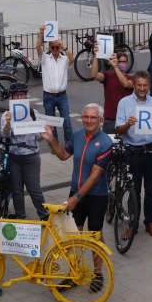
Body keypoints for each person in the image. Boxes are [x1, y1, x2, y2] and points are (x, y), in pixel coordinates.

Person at [45, 104, 113, 257]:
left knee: (95, 236)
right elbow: (63, 155)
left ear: (100, 120)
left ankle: (97, 274)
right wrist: (51, 139)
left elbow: (95, 176)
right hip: (76, 192)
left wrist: (76, 198)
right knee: (74, 234)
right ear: (81, 118)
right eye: (86, 117)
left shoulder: (106, 143)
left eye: (93, 117)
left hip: (97, 195)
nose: (89, 120)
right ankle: (75, 273)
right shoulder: (77, 135)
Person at [115, 71, 152, 238]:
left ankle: (150, 222)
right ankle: (132, 224)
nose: (142, 88)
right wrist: (127, 125)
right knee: (133, 190)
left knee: (151, 190)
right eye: (139, 85)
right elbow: (118, 129)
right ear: (134, 85)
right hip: (133, 152)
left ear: (149, 86)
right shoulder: (124, 103)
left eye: (145, 85)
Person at [0, 82, 54, 221]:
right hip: (14, 157)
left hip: (31, 157)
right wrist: (7, 123)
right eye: (16, 96)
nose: (18, 98)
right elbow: (5, 135)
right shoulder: (6, 115)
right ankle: (21, 217)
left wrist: (45, 133)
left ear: (26, 96)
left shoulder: (34, 114)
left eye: (21, 95)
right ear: (11, 98)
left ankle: (44, 216)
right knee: (17, 190)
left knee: (34, 189)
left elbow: (39, 138)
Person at [36, 28, 75, 148]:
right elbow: (38, 48)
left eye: (57, 47)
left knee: (67, 122)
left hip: (62, 95)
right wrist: (42, 33)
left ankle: (69, 145)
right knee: (51, 124)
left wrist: (63, 46)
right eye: (53, 48)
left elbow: (72, 59)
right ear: (49, 48)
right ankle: (55, 145)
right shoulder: (45, 59)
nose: (55, 50)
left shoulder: (64, 59)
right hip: (49, 96)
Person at [91, 47, 132, 133]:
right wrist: (95, 56)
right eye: (120, 61)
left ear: (127, 63)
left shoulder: (132, 78)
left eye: (124, 62)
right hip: (110, 119)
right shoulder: (108, 75)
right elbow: (94, 75)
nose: (122, 64)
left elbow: (125, 84)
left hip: (126, 119)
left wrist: (116, 68)